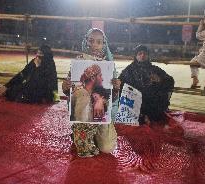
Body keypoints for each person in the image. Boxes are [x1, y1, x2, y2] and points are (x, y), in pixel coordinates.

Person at [62, 28, 119, 157]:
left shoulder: (108, 65)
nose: (94, 45)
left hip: (100, 114)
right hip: (83, 114)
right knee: (83, 98)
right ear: (85, 41)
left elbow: (112, 99)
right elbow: (70, 92)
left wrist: (115, 88)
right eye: (91, 41)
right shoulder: (78, 62)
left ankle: (89, 135)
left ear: (104, 44)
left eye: (99, 42)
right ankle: (81, 132)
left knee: (107, 147)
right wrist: (66, 88)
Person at [118, 45, 174, 125]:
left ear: (148, 56)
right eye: (140, 53)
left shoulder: (154, 69)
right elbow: (120, 82)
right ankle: (143, 116)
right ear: (136, 56)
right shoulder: (129, 70)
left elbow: (170, 81)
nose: (142, 55)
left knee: (162, 89)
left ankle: (147, 116)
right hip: (134, 101)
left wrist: (159, 80)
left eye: (145, 53)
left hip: (151, 101)